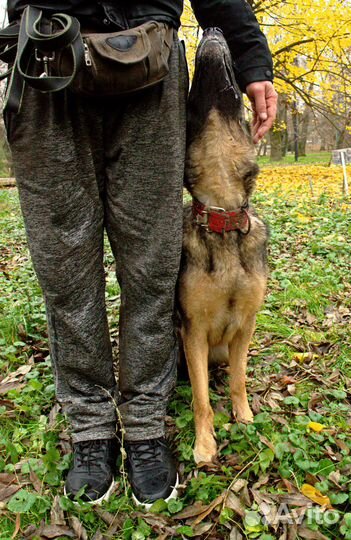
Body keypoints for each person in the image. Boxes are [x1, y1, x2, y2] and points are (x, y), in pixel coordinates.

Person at [4, 0, 277, 506]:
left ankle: (146, 422)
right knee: (66, 272)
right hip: (46, 62)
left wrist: (252, 58)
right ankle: (90, 425)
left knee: (152, 268)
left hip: (150, 64)